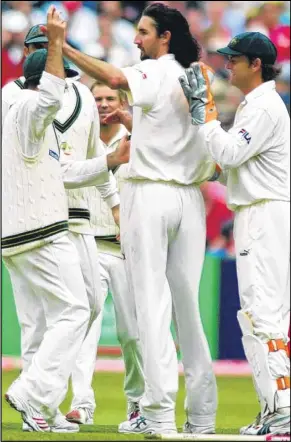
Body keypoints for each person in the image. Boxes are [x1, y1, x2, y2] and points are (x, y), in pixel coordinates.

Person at [52, 2, 219, 435]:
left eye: (144, 32)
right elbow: (190, 132)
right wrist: (137, 124)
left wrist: (61, 45)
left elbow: (111, 78)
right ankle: (201, 416)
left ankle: (158, 413)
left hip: (150, 193)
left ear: (164, 36)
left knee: (151, 307)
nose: (136, 38)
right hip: (190, 198)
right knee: (189, 311)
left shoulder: (157, 69)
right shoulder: (198, 74)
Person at [2, 6, 130, 433]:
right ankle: (34, 395)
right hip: (42, 222)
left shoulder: (71, 101)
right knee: (56, 315)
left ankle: (44, 401)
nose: (46, 52)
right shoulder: (18, 99)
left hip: (67, 220)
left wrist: (110, 167)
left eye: (48, 45)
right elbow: (49, 99)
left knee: (83, 308)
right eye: (42, 47)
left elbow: (71, 165)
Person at [180, 32, 290, 436]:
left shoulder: (263, 108)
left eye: (235, 59)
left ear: (256, 64)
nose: (228, 65)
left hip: (265, 216)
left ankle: (283, 409)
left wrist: (204, 112)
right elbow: (232, 167)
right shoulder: (254, 105)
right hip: (259, 213)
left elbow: (226, 153)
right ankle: (274, 406)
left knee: (263, 315)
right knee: (257, 316)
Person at [66, 81, 145, 426]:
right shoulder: (80, 140)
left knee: (132, 333)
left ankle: (138, 403)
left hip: (127, 250)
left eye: (109, 98)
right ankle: (82, 403)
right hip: (89, 243)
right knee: (85, 326)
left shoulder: (138, 140)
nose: (102, 104)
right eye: (96, 98)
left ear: (123, 102)